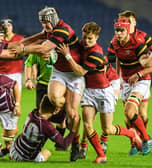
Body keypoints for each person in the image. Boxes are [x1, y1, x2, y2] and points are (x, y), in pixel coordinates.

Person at [57, 22, 142, 163]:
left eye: (90, 38)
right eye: (84, 37)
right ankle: (101, 155)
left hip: (104, 92)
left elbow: (80, 71)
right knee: (87, 124)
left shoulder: (96, 53)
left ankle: (131, 133)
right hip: (89, 92)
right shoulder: (82, 45)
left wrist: (67, 56)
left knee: (107, 129)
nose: (86, 41)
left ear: (96, 37)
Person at [14, 6, 85, 161]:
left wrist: (23, 49)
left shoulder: (63, 30)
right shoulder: (49, 30)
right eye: (42, 23)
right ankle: (68, 104)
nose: (44, 25)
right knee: (53, 99)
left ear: (53, 19)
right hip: (59, 72)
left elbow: (44, 47)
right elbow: (35, 39)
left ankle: (75, 145)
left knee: (72, 113)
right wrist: (17, 45)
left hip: (73, 74)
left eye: (46, 22)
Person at [107, 17, 152, 156]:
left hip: (141, 80)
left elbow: (149, 66)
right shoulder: (114, 43)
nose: (119, 33)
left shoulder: (137, 43)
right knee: (128, 118)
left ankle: (146, 139)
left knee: (131, 112)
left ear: (127, 30)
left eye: (121, 30)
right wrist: (118, 77)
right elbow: (112, 60)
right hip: (125, 81)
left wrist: (138, 74)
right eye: (117, 30)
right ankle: (134, 143)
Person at [9, 95, 79, 162]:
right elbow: (64, 145)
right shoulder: (46, 126)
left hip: (14, 149)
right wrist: (74, 129)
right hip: (26, 158)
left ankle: (9, 153)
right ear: (56, 110)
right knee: (47, 152)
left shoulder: (32, 113)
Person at [24, 52, 67, 150]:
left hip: (60, 86)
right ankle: (37, 144)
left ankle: (59, 144)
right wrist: (28, 79)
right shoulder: (39, 49)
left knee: (60, 118)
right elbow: (28, 63)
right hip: (43, 85)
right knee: (41, 117)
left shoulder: (62, 49)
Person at [0, 18, 24, 93]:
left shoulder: (19, 39)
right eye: (4, 26)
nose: (6, 27)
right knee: (0, 99)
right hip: (0, 73)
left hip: (15, 73)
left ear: (12, 27)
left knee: (14, 101)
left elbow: (27, 54)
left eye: (9, 25)